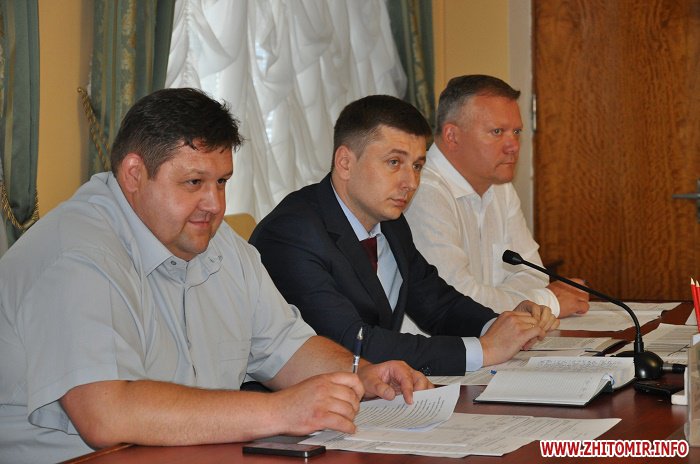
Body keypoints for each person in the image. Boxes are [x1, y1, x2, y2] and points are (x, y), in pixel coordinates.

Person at [0, 88, 430, 464]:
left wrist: (360, 375)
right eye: (194, 182)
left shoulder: (218, 244)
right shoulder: (78, 254)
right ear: (134, 174)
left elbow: (285, 346)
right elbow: (107, 415)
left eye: (222, 182)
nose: (214, 205)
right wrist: (281, 411)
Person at [249, 95, 559, 378]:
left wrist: (500, 324)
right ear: (345, 163)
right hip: (297, 404)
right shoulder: (292, 233)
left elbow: (437, 303)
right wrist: (484, 350)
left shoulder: (390, 223)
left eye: (418, 166)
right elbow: (351, 342)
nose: (410, 182)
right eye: (394, 163)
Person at [404, 75, 589, 324]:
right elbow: (458, 302)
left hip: (494, 339)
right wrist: (547, 302)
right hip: (437, 346)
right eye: (497, 132)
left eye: (516, 132)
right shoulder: (422, 191)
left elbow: (533, 274)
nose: (513, 146)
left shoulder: (500, 187)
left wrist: (521, 299)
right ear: (452, 136)